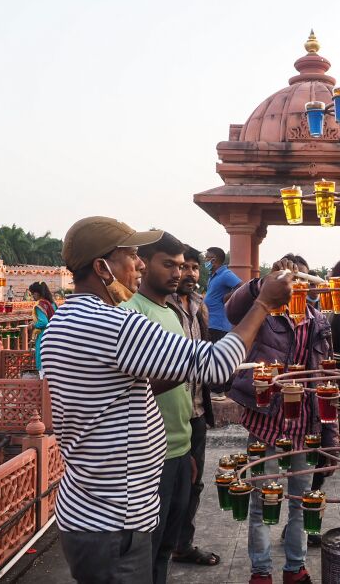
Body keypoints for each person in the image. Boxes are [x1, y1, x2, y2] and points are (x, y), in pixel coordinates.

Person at [40, 216, 291, 583]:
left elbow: (122, 397)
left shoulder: (62, 322)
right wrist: (263, 304)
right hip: (115, 522)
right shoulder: (114, 324)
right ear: (101, 267)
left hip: (88, 509)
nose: (139, 263)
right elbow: (218, 366)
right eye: (130, 256)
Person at [224, 254, 335, 584]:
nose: (296, 284)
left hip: (304, 427)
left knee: (300, 503)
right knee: (261, 504)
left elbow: (325, 384)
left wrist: (330, 437)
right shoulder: (265, 315)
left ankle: (295, 568)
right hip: (266, 423)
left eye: (302, 278)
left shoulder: (318, 322)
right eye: (288, 278)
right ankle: (261, 572)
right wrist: (260, 285)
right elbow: (232, 311)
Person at [118, 232, 201, 584]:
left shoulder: (173, 313)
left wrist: (188, 448)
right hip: (148, 455)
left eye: (180, 266)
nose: (177, 273)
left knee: (165, 547)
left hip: (179, 448)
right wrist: (186, 368)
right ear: (143, 263)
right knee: (144, 552)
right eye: (167, 264)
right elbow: (128, 389)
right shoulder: (130, 313)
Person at [168, 245, 221, 568]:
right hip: (170, 411)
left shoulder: (199, 305)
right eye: (182, 267)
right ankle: (164, 541)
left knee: (195, 480)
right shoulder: (162, 306)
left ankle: (182, 543)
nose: (188, 274)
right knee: (170, 480)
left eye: (193, 268)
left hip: (197, 408)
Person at [204, 246, 242, 342]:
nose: (205, 260)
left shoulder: (225, 274)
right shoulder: (212, 275)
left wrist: (227, 297)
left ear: (213, 260)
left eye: (206, 257)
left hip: (218, 325)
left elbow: (242, 286)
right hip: (210, 323)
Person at [28, 281, 57, 376]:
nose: (33, 296)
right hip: (55, 336)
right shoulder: (53, 304)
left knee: (42, 364)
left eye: (33, 294)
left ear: (37, 293)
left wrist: (33, 325)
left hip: (44, 336)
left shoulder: (40, 305)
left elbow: (43, 322)